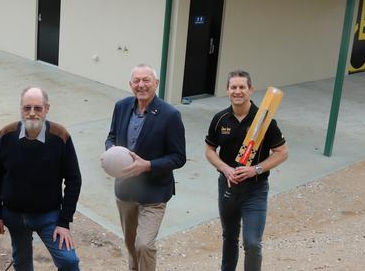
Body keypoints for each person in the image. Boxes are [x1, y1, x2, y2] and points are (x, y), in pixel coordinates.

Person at [0, 87, 82, 271]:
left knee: (69, 262)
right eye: (27, 108)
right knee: (22, 263)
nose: (32, 113)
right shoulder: (6, 135)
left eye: (38, 108)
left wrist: (64, 222)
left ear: (47, 108)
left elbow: (74, 180)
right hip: (14, 215)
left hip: (49, 216)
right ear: (21, 109)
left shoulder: (60, 136)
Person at [105, 64, 186, 271]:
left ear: (156, 84)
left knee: (144, 244)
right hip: (125, 190)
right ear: (130, 84)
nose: (141, 85)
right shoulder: (121, 106)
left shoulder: (170, 115)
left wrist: (147, 165)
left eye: (146, 80)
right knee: (131, 244)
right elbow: (112, 137)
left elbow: (178, 157)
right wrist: (111, 152)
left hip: (154, 192)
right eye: (136, 81)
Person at [205, 70, 288, 271]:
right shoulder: (220, 119)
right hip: (228, 187)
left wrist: (256, 169)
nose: (237, 91)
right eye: (233, 87)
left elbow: (282, 152)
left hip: (255, 190)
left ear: (251, 90)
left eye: (242, 87)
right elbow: (209, 150)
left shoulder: (265, 120)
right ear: (227, 91)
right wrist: (224, 169)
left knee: (252, 243)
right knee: (229, 237)